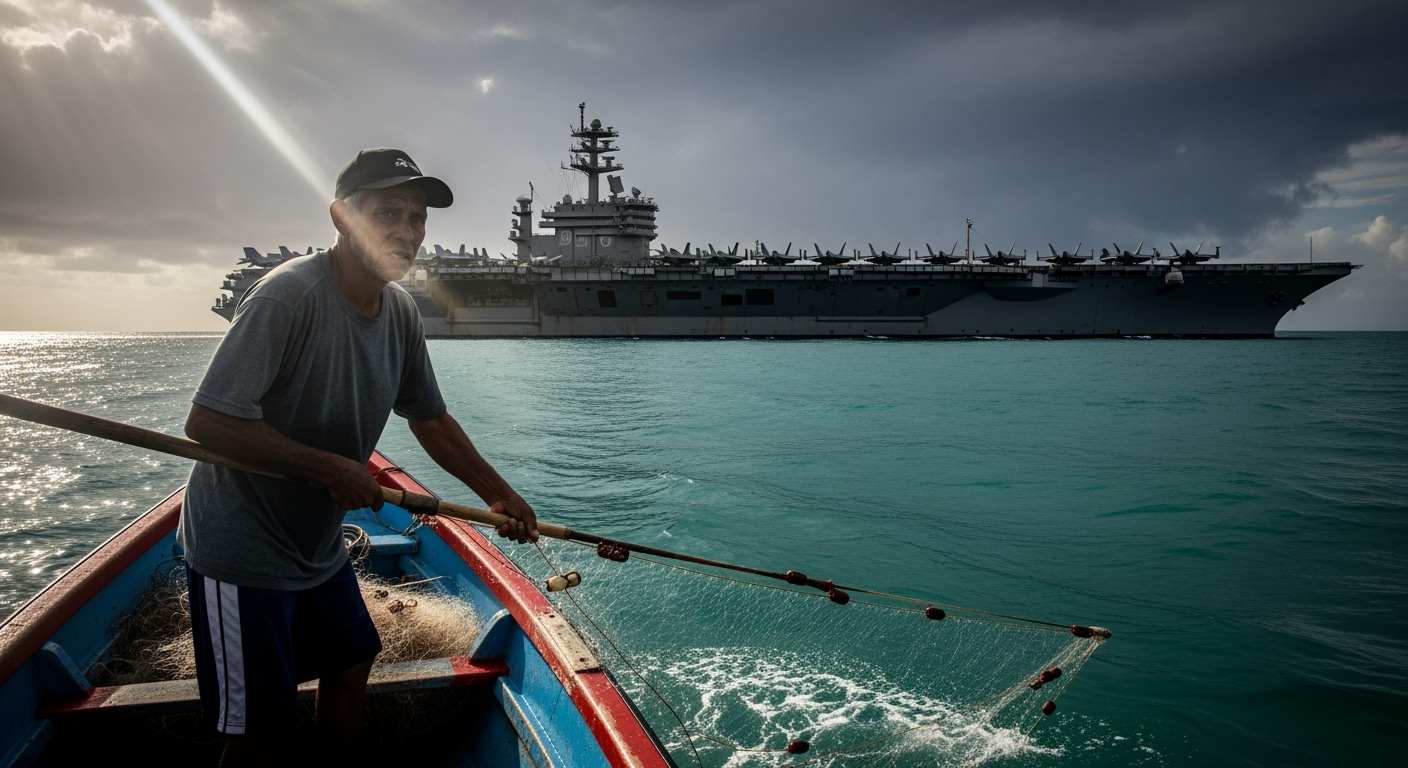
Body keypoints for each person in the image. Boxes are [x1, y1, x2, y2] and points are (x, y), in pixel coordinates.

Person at [179, 148, 538, 765]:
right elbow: (208, 422)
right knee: (260, 729)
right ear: (342, 217)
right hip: (243, 546)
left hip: (316, 544)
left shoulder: (400, 310)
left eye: (417, 218)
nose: (407, 231)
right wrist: (329, 468)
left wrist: (498, 493)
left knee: (351, 663)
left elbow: (429, 417)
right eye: (387, 213)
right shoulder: (286, 297)